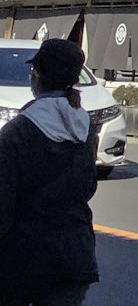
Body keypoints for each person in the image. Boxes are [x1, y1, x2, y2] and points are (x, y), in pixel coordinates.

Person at [0, 39, 99, 305]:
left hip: (21, 257)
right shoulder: (86, 128)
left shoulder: (17, 132)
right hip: (74, 254)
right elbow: (88, 186)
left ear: (36, 76)